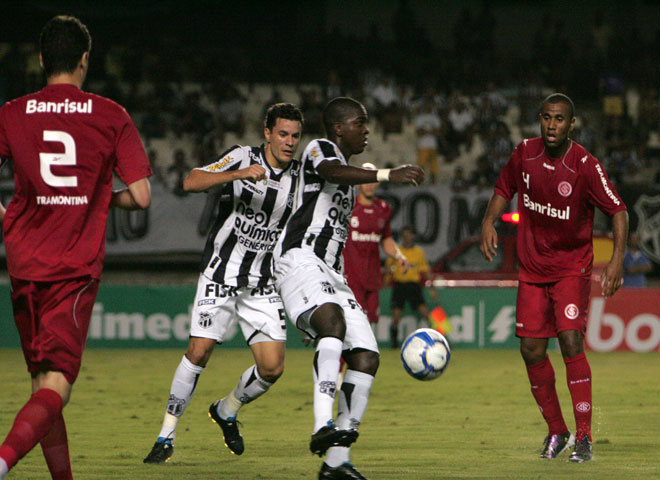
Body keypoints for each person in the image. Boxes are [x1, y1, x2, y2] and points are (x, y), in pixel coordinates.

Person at [0, 15, 152, 479]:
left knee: (41, 386)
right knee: (57, 389)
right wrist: (97, 197)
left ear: (42, 59)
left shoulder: (11, 113)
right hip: (72, 268)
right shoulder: (110, 116)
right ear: (85, 60)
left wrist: (5, 215)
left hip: (24, 265)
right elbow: (142, 196)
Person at [143, 103, 304, 463]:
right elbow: (191, 181)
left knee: (273, 368)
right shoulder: (241, 156)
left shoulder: (300, 177)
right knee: (199, 352)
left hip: (262, 282)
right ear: (267, 133)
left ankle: (227, 409)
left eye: (295, 135)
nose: (289, 142)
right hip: (221, 273)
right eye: (282, 134)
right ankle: (165, 435)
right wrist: (239, 174)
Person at [273, 97, 423, 480]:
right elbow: (334, 172)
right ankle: (322, 425)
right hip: (301, 259)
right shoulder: (320, 149)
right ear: (339, 128)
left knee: (367, 356)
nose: (367, 129)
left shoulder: (351, 182)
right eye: (361, 122)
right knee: (333, 323)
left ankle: (336, 461)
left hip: (332, 275)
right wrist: (387, 175)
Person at [480, 93, 628, 463]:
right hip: (532, 270)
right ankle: (556, 430)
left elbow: (619, 210)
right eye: (546, 117)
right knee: (530, 349)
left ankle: (584, 437)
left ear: (571, 124)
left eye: (559, 119)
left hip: (570, 268)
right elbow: (503, 188)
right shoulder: (524, 153)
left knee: (570, 341)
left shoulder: (585, 166)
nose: (551, 125)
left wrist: (617, 261)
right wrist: (488, 220)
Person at [342, 162, 409, 327]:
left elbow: (386, 239)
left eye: (372, 180)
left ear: (378, 182)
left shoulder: (383, 209)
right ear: (358, 183)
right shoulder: (348, 207)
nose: (369, 185)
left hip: (372, 276)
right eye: (365, 180)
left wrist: (399, 256)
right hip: (351, 277)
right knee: (355, 324)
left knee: (370, 323)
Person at [385, 225, 434, 348]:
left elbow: (425, 270)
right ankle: (394, 343)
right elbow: (389, 267)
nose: (407, 238)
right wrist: (387, 278)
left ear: (413, 236)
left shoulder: (419, 252)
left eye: (409, 235)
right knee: (396, 315)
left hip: (413, 285)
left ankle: (437, 338)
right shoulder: (397, 251)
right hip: (400, 285)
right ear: (402, 237)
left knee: (425, 313)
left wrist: (431, 287)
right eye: (405, 235)